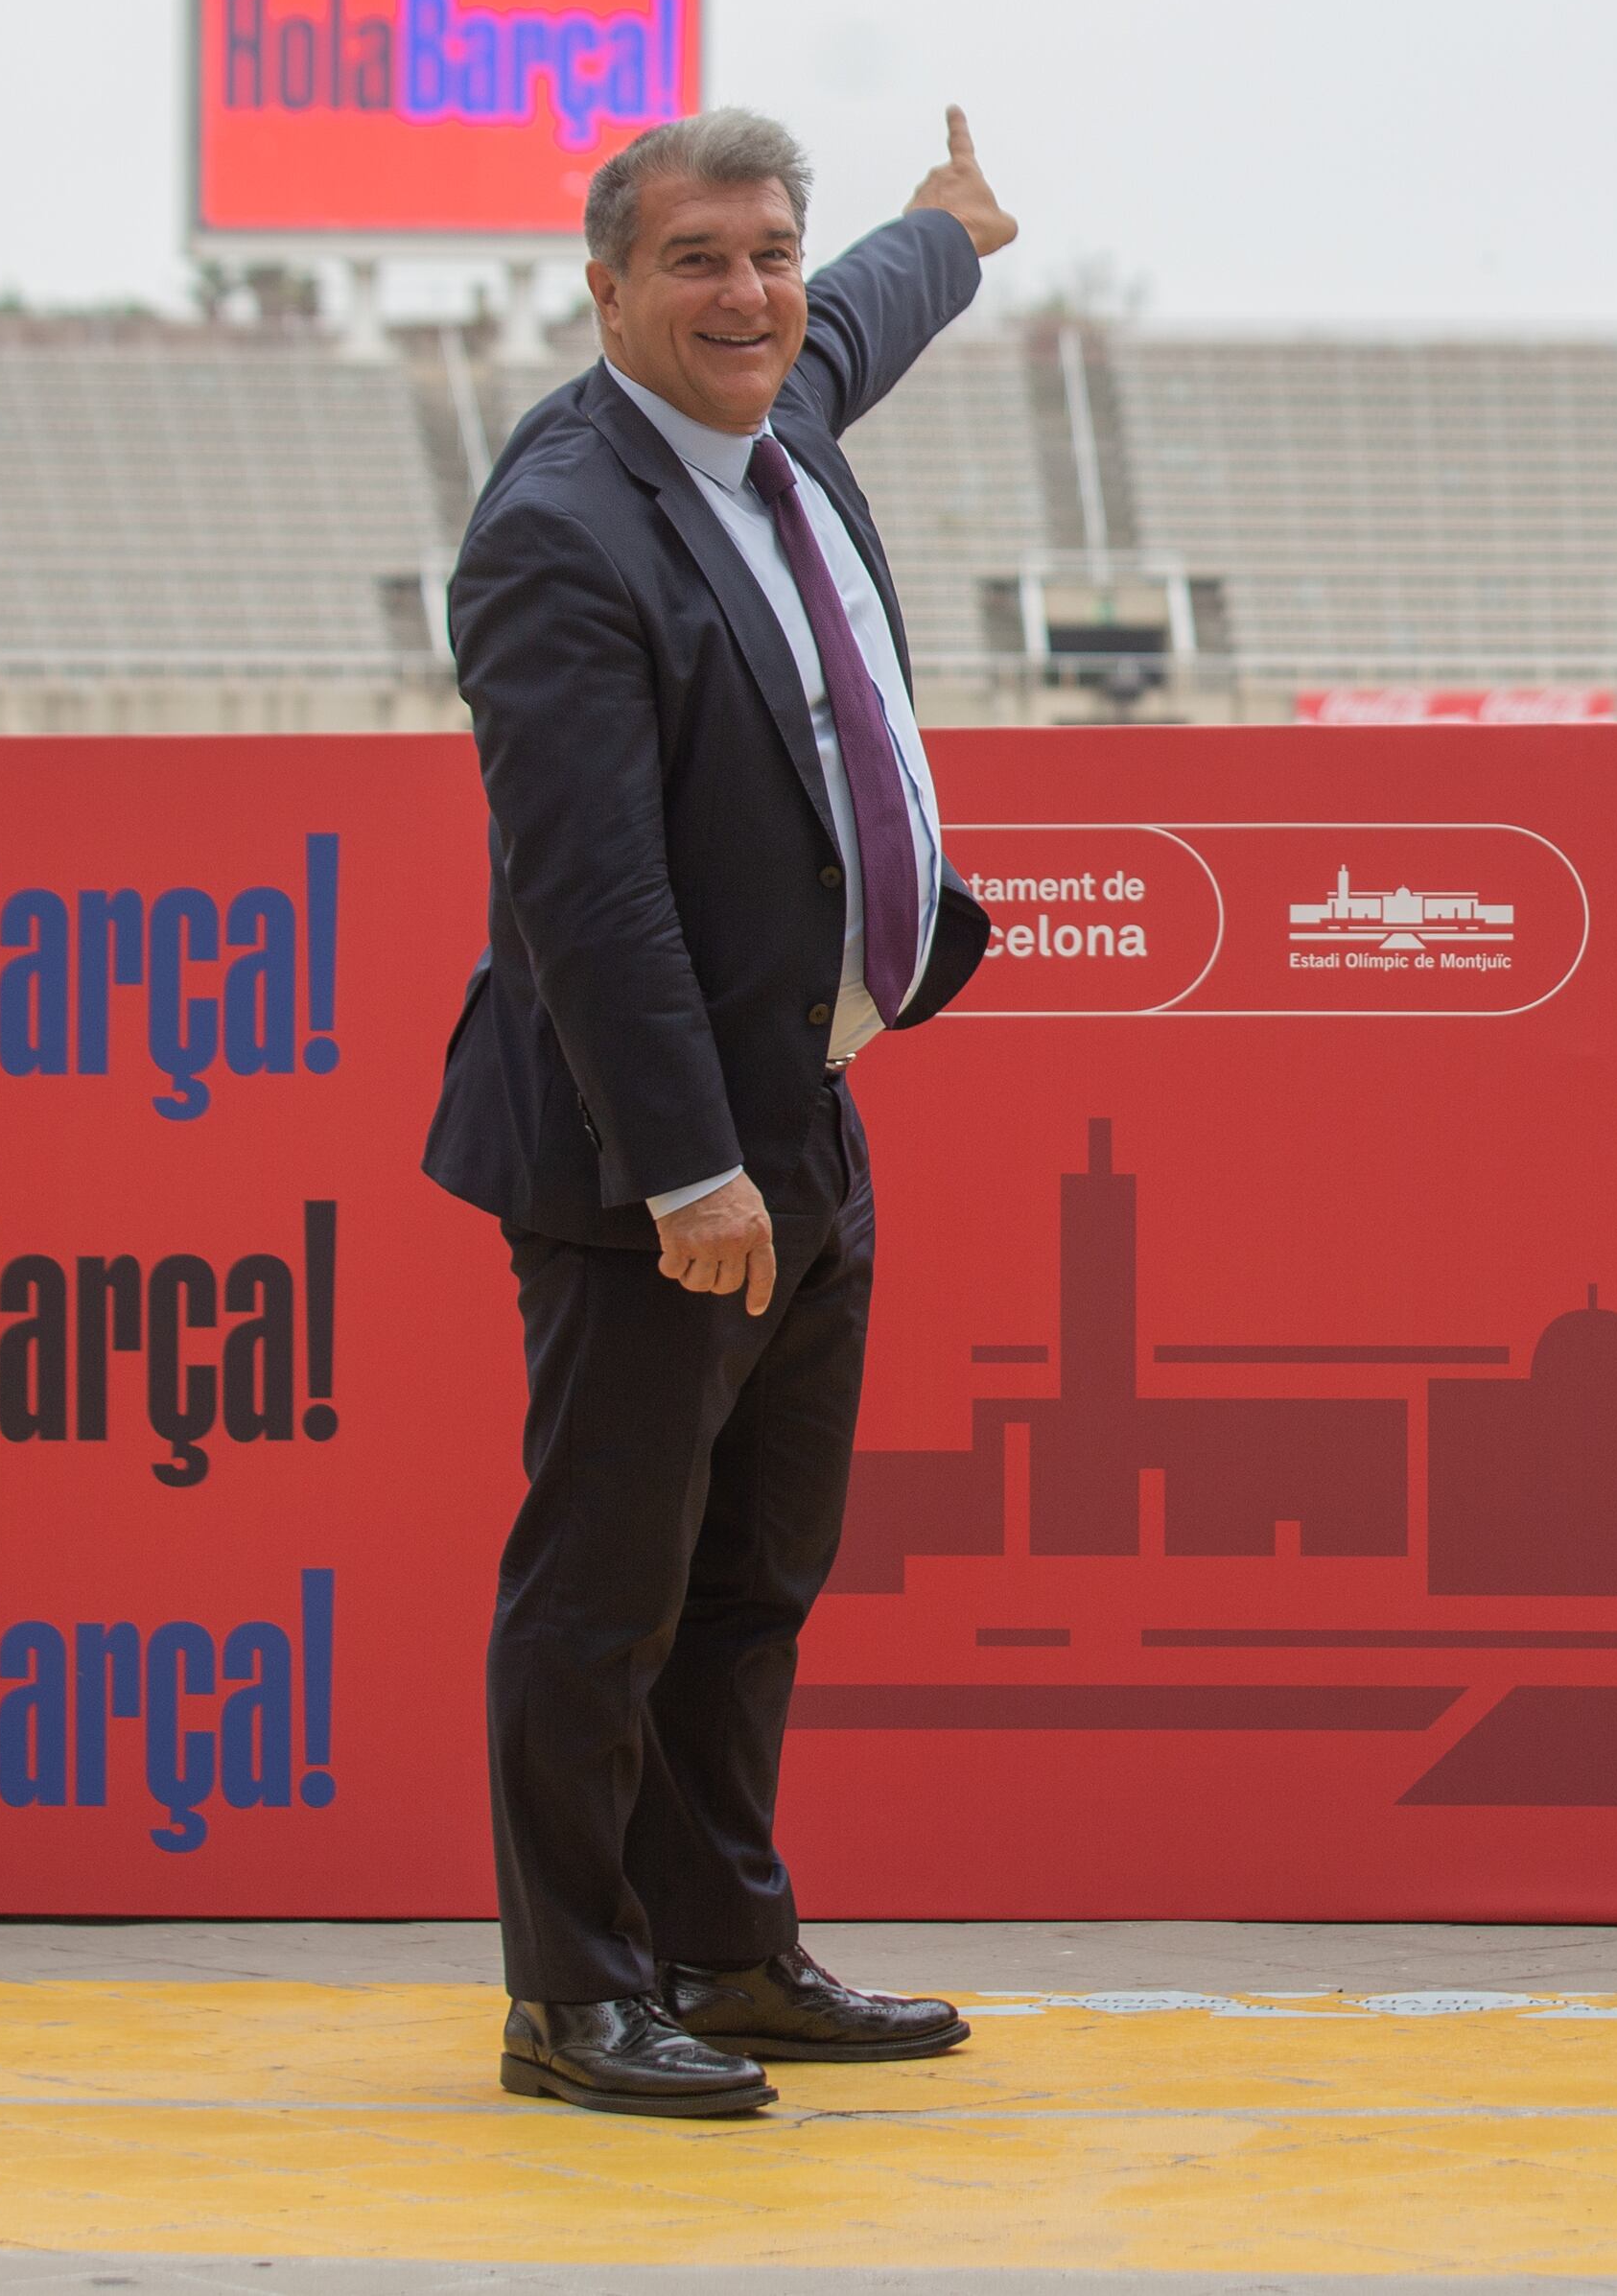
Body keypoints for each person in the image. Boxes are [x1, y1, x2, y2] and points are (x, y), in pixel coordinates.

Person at [421, 104, 1019, 2120]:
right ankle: (572, 1990)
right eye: (697, 259)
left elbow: (854, 316)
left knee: (757, 1570)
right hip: (647, 1153)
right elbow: (585, 896)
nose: (750, 291)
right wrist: (693, 1169)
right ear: (605, 292)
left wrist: (945, 226)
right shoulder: (558, 530)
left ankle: (729, 1952)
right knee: (607, 1584)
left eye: (768, 248)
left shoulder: (779, 411)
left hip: (809, 1098)